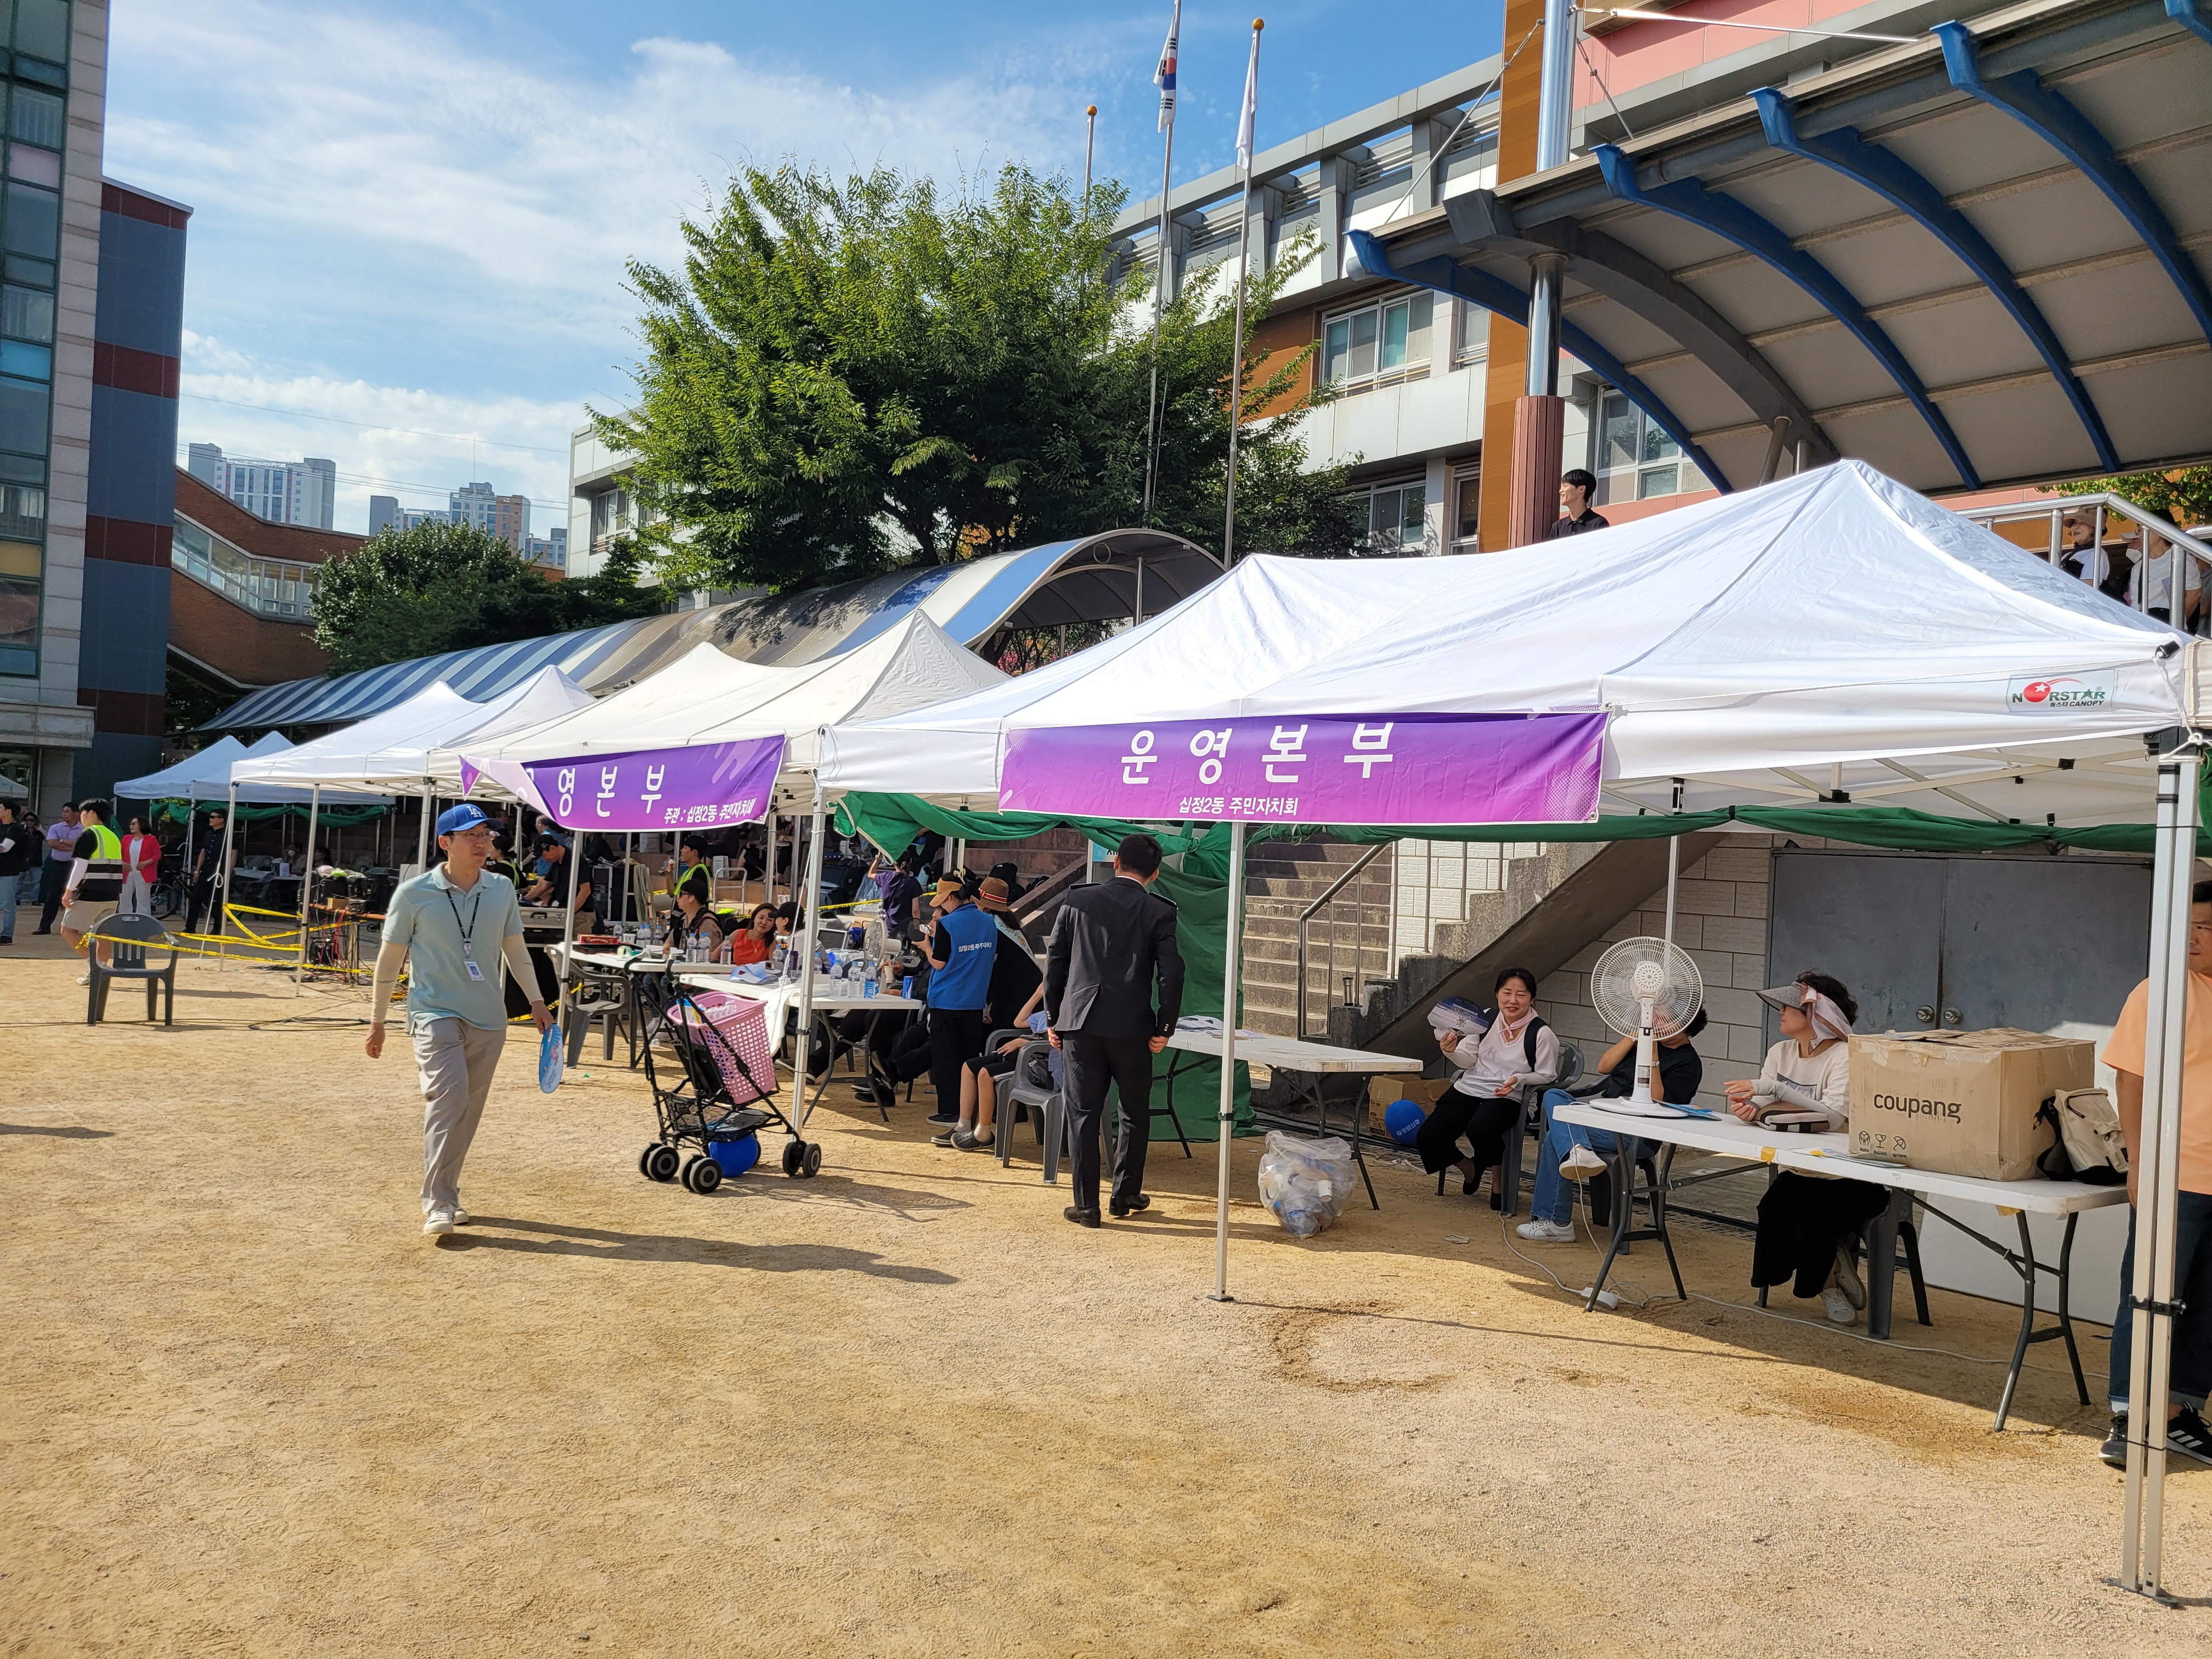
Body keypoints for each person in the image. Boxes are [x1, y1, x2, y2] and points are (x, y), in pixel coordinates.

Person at [366, 804, 552, 1239]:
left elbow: (516, 950)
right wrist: (378, 1019)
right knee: (449, 1100)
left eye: (486, 835)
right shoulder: (413, 894)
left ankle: (447, 1192)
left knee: (466, 1111)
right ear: (445, 843)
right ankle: (439, 1202)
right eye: (472, 835)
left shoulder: (501, 889)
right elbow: (390, 960)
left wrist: (538, 1001)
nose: (482, 843)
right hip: (433, 1011)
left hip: (489, 1017)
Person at [2096, 878, 2212, 1470]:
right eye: (2187, 926)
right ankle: (2128, 1413)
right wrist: (2140, 1162)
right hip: (2175, 1173)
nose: (2192, 938)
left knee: (2207, 1304)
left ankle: (2177, 1413)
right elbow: (2131, 1079)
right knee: (2147, 1296)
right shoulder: (2160, 991)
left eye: (2205, 927)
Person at [1044, 833, 1186, 1226]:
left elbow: (1055, 962)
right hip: (1132, 1026)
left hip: (1081, 1022)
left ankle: (1086, 1205)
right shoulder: (1159, 910)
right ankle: (1124, 1195)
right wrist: (1166, 1025)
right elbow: (1171, 973)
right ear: (1155, 874)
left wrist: (1054, 1018)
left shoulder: (1078, 899)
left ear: (1116, 861)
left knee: (1083, 1114)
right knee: (1134, 1112)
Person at [1725, 972, 1870, 1325]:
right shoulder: (1781, 1051)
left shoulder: (1845, 1056)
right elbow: (1765, 1105)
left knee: (1808, 1217)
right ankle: (1833, 1269)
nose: (1781, 1011)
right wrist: (1750, 1109)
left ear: (1817, 1014)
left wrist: (1774, 1092)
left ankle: (1827, 1283)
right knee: (1771, 1208)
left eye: (1790, 1006)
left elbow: (1832, 1118)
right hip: (1800, 1168)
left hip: (1846, 1173)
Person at [1519, 1010, 1708, 1243]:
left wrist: (1653, 1054)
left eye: (1667, 1020)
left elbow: (1658, 1101)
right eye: (1657, 1018)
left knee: (1554, 1138)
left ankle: (1557, 1222)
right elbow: (1604, 1067)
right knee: (1554, 1096)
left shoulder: (1689, 1063)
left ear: (1685, 1026)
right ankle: (1579, 1151)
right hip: (1604, 1118)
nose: (1658, 1024)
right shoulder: (1640, 1043)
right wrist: (1635, 1036)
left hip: (1637, 1133)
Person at [1417, 967, 1560, 1201]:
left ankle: (1498, 1178)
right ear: (1497, 994)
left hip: (1509, 1095)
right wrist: (1450, 1051)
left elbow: (1547, 1075)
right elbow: (1468, 1060)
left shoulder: (1542, 1033)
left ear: (1532, 999)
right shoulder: (1486, 1018)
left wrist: (1519, 1079)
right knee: (1429, 1135)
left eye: (1521, 995)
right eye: (1507, 993)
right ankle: (1469, 1168)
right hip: (1471, 1087)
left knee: (1481, 1128)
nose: (1513, 1000)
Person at [922, 877, 997, 1129]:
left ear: (950, 897)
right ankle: (968, 1112)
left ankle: (949, 1112)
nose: (942, 906)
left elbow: (939, 962)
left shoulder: (947, 923)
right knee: (969, 1059)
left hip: (947, 999)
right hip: (974, 1000)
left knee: (945, 1060)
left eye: (943, 901)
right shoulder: (989, 921)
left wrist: (926, 948)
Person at [935, 985, 1049, 1152]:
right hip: (1018, 1055)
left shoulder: (1064, 1014)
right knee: (969, 1067)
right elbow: (1018, 1022)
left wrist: (1023, 1042)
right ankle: (964, 1125)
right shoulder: (1047, 1013)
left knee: (985, 1074)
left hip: (1033, 1062)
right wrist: (1037, 995)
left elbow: (1059, 1043)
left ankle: (983, 1133)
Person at [58, 798, 125, 983]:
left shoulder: (88, 834)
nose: (80, 816)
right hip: (112, 893)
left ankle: (95, 965)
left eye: (83, 812)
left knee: (68, 930)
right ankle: (99, 970)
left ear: (92, 813)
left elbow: (80, 866)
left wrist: (69, 891)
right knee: (104, 934)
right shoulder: (113, 836)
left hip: (90, 893)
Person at [2126, 531, 2202, 627]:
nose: (2140, 535)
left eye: (2143, 529)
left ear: (2158, 533)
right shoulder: (2138, 566)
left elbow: (2194, 594)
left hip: (2163, 625)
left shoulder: (2179, 558)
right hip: (2137, 623)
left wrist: (2176, 622)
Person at [36, 802, 78, 934]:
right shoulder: (56, 828)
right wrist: (73, 847)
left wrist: (62, 841)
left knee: (76, 898)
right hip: (57, 865)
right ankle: (45, 926)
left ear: (76, 813)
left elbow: (81, 846)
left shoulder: (84, 830)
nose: (64, 814)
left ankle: (74, 928)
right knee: (52, 897)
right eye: (63, 811)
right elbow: (52, 844)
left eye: (67, 812)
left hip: (75, 867)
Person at [185, 809, 228, 935]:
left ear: (221, 820)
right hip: (205, 870)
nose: (211, 819)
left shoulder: (228, 835)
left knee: (217, 900)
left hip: (219, 871)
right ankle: (190, 927)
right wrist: (197, 870)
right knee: (196, 898)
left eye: (214, 817)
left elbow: (233, 854)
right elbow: (203, 853)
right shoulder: (208, 834)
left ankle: (217, 928)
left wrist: (227, 873)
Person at [524, 837, 592, 914]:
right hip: (564, 910)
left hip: (580, 913)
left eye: (543, 856)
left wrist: (570, 914)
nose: (544, 859)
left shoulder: (576, 860)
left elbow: (586, 890)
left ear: (552, 848)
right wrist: (525, 899)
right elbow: (545, 884)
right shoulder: (556, 863)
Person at [119, 816, 161, 917]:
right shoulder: (126, 839)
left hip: (144, 873)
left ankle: (143, 919)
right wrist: (123, 863)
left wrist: (145, 863)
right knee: (124, 897)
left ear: (141, 825)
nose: (131, 826)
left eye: (134, 824)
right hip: (127, 873)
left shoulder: (151, 839)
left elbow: (157, 855)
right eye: (130, 824)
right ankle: (125, 918)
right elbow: (118, 854)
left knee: (143, 898)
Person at [1549, 469, 1609, 539]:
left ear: (1581, 489)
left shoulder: (1599, 524)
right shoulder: (1558, 527)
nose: (1561, 491)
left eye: (1565, 486)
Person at [0, 799, 29, 943]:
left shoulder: (16, 828)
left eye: (1, 808)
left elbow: (5, 848)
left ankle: (6, 935)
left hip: (8, 871)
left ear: (8, 811)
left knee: (7, 904)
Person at [877, 851, 923, 939]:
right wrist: (916, 928)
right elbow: (915, 911)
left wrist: (878, 859)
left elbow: (870, 874)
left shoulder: (886, 877)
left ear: (893, 863)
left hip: (889, 925)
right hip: (905, 926)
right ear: (910, 861)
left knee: (889, 945)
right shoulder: (913, 883)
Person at [2058, 516, 2109, 588]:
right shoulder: (2067, 555)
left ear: (2095, 528)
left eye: (2083, 522)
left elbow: (2086, 588)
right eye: (2074, 523)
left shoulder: (2096, 554)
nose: (2076, 527)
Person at [724, 901, 777, 967]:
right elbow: (715, 956)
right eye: (761, 918)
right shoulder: (738, 934)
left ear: (774, 924)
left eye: (769, 920)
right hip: (732, 973)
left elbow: (776, 969)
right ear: (754, 918)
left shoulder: (772, 944)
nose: (764, 923)